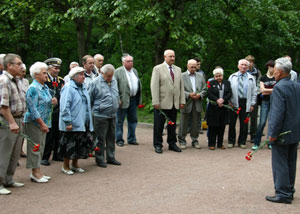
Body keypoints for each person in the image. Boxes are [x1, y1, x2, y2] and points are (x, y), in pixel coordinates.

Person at [266, 57, 300, 204]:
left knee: (280, 162)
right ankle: (289, 190)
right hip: (295, 131)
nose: (273, 73)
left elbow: (277, 113)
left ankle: (283, 193)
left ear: (279, 72)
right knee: (291, 162)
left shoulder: (279, 88)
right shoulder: (297, 86)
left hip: (282, 132)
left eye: (275, 71)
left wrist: (272, 134)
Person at [24, 62, 57, 183]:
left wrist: (53, 101)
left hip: (44, 121)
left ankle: (38, 171)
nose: (46, 75)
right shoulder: (33, 88)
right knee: (35, 147)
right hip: (35, 122)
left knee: (41, 146)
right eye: (44, 73)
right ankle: (34, 172)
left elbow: (47, 102)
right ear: (36, 74)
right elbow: (32, 109)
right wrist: (41, 123)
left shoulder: (45, 87)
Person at [58, 67, 94, 175]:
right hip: (72, 122)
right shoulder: (68, 87)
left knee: (79, 144)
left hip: (82, 121)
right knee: (69, 144)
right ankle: (66, 166)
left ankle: (75, 164)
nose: (83, 77)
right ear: (74, 77)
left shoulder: (83, 87)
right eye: (81, 75)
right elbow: (65, 106)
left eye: (83, 74)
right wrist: (67, 121)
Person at [0, 54, 26, 195]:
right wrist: (11, 122)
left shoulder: (16, 80)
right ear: (9, 65)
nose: (21, 66)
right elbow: (3, 106)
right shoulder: (4, 80)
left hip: (17, 119)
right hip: (8, 121)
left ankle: (8, 179)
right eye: (18, 64)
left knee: (14, 152)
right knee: (4, 152)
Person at [150, 49, 185, 154]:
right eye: (170, 56)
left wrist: (182, 100)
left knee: (172, 125)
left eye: (174, 56)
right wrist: (155, 101)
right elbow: (154, 86)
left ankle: (172, 143)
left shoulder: (178, 69)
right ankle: (157, 144)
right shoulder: (158, 69)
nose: (172, 58)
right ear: (165, 57)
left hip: (174, 103)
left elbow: (181, 86)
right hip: (162, 103)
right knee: (159, 125)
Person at [88, 64, 121, 168]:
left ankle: (111, 157)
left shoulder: (114, 81)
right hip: (100, 115)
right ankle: (100, 158)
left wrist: (117, 101)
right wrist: (97, 109)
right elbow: (90, 99)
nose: (110, 78)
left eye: (111, 75)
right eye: (108, 76)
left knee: (111, 137)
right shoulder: (94, 82)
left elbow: (116, 93)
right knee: (100, 138)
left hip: (113, 114)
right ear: (102, 73)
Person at [114, 54, 142, 147]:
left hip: (133, 99)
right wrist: (117, 98)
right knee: (119, 121)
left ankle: (131, 138)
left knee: (133, 120)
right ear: (123, 62)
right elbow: (114, 87)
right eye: (128, 61)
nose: (131, 63)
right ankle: (119, 139)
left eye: (131, 61)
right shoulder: (118, 72)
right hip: (122, 100)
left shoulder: (135, 71)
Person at [228, 59, 256, 149]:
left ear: (248, 67)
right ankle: (231, 141)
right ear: (238, 66)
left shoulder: (251, 78)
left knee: (244, 123)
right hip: (234, 102)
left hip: (245, 102)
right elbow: (228, 90)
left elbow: (254, 92)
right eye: (242, 65)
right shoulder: (232, 77)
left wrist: (252, 104)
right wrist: (229, 101)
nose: (243, 67)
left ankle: (242, 142)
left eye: (245, 65)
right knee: (232, 123)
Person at [178, 59, 206, 150]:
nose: (193, 69)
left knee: (196, 123)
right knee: (183, 123)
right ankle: (182, 140)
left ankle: (195, 140)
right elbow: (178, 89)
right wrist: (188, 95)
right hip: (186, 103)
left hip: (197, 103)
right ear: (187, 66)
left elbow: (205, 89)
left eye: (195, 67)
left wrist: (200, 95)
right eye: (192, 67)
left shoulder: (200, 76)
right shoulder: (181, 76)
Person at [41, 58, 64, 166]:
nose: (57, 71)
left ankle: (57, 154)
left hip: (58, 111)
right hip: (48, 112)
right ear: (49, 68)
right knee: (49, 135)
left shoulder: (61, 81)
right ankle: (45, 156)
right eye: (55, 68)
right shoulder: (45, 81)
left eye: (58, 68)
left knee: (57, 134)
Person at [252, 60, 276, 150]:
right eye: (271, 67)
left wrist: (267, 90)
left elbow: (277, 89)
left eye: (273, 67)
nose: (272, 69)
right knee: (262, 123)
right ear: (268, 67)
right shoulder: (263, 78)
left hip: (274, 102)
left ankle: (270, 142)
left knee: (271, 123)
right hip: (265, 102)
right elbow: (262, 91)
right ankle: (256, 143)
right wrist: (271, 90)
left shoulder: (276, 78)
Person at [207, 68, 232, 150]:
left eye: (220, 76)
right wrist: (217, 100)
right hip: (213, 107)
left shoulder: (227, 83)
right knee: (213, 126)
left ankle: (220, 143)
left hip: (223, 107)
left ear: (223, 75)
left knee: (222, 126)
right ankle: (211, 143)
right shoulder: (211, 83)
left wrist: (223, 100)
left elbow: (229, 93)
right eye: (216, 76)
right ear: (214, 76)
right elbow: (209, 94)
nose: (218, 77)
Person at [245, 55, 261, 142]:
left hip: (254, 95)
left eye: (251, 62)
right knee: (245, 116)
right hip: (245, 95)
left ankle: (253, 135)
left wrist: (256, 91)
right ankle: (243, 134)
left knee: (254, 117)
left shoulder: (257, 72)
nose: (249, 64)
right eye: (248, 62)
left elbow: (259, 82)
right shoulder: (243, 71)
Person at [18, 63, 29, 158]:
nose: (23, 73)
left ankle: (20, 150)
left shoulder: (26, 81)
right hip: (16, 109)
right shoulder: (12, 81)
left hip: (24, 109)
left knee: (23, 132)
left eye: (24, 72)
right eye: (22, 71)